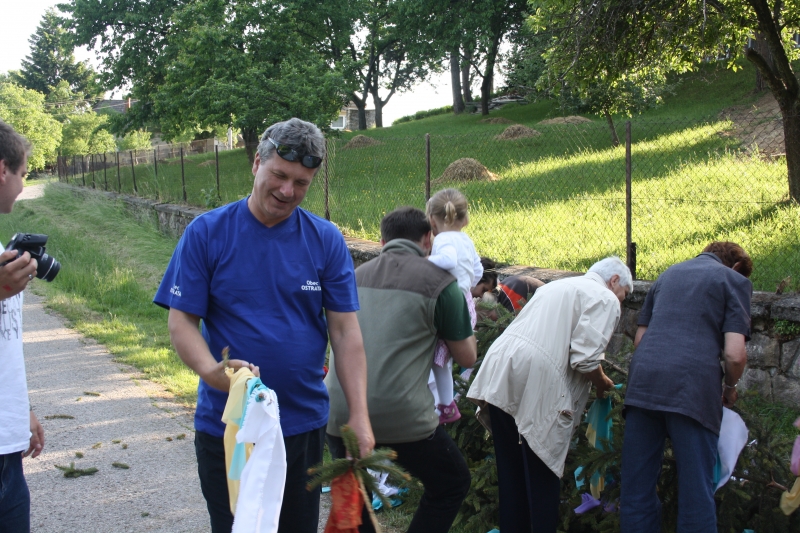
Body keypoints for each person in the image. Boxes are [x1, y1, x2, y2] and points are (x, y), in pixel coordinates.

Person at [154, 118, 374, 533]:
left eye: (301, 183)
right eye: (279, 175)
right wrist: (212, 372)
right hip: (231, 428)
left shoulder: (325, 239)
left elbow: (346, 334)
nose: (288, 191)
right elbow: (181, 321)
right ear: (257, 163)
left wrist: (360, 415)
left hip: (302, 424)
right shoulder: (207, 233)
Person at [325, 206, 477, 533]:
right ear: (428, 239)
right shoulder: (442, 283)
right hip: (401, 413)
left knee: (357, 497)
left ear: (382, 242)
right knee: (452, 482)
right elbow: (467, 357)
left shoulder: (353, 277)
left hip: (340, 410)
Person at [467, 257, 632, 533]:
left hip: (501, 371)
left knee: (512, 475)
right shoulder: (605, 297)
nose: (620, 303)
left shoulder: (556, 287)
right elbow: (585, 358)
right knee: (543, 476)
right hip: (537, 382)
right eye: (622, 296)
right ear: (614, 280)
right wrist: (602, 382)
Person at [620, 242, 752, 532]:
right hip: (692, 390)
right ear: (737, 266)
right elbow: (735, 354)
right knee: (696, 494)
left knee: (636, 491)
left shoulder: (668, 275)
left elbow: (640, 340)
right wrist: (730, 387)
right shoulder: (732, 279)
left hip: (643, 386)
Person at [0, 120, 44, 533]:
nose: (23, 185)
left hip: (7, 445)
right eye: (24, 173)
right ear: (2, 170)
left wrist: (20, 410)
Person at [425, 188, 483, 423]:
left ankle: (445, 405)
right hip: (465, 302)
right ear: (465, 218)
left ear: (432, 220)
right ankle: (446, 404)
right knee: (443, 359)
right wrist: (467, 286)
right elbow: (478, 270)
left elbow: (448, 260)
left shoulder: (443, 239)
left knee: (438, 360)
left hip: (452, 305)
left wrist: (424, 262)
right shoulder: (466, 240)